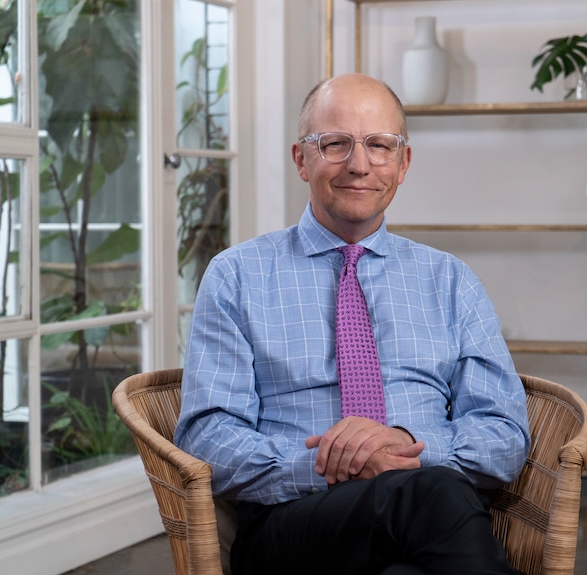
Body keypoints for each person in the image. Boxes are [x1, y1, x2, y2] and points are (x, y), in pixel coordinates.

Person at [175, 73, 530, 575]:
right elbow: (207, 436)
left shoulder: (451, 280)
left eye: (379, 145)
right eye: (335, 144)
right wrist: (332, 465)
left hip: (429, 515)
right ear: (302, 159)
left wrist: (403, 451)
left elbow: (505, 435)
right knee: (432, 497)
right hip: (291, 522)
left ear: (402, 163)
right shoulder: (237, 275)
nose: (359, 165)